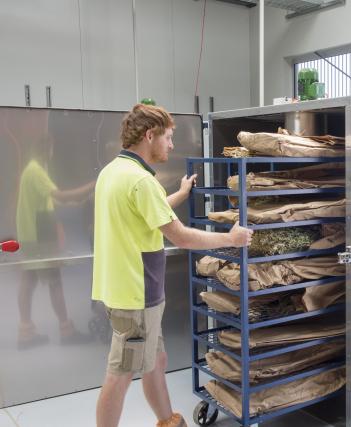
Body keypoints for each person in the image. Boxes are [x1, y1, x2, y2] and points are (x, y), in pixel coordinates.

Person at [92, 104, 253, 427]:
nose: (171, 145)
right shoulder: (140, 180)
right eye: (167, 137)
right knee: (121, 373)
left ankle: (168, 420)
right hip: (135, 295)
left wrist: (180, 194)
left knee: (156, 361)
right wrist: (231, 239)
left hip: (125, 289)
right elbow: (180, 236)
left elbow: (148, 213)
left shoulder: (113, 172)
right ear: (149, 135)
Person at [16, 133, 95, 349]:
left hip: (32, 231)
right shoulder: (36, 171)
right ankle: (66, 331)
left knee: (29, 279)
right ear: (46, 148)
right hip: (38, 234)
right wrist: (93, 184)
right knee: (54, 280)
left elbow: (51, 201)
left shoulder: (34, 170)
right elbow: (60, 196)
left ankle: (26, 333)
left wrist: (78, 200)